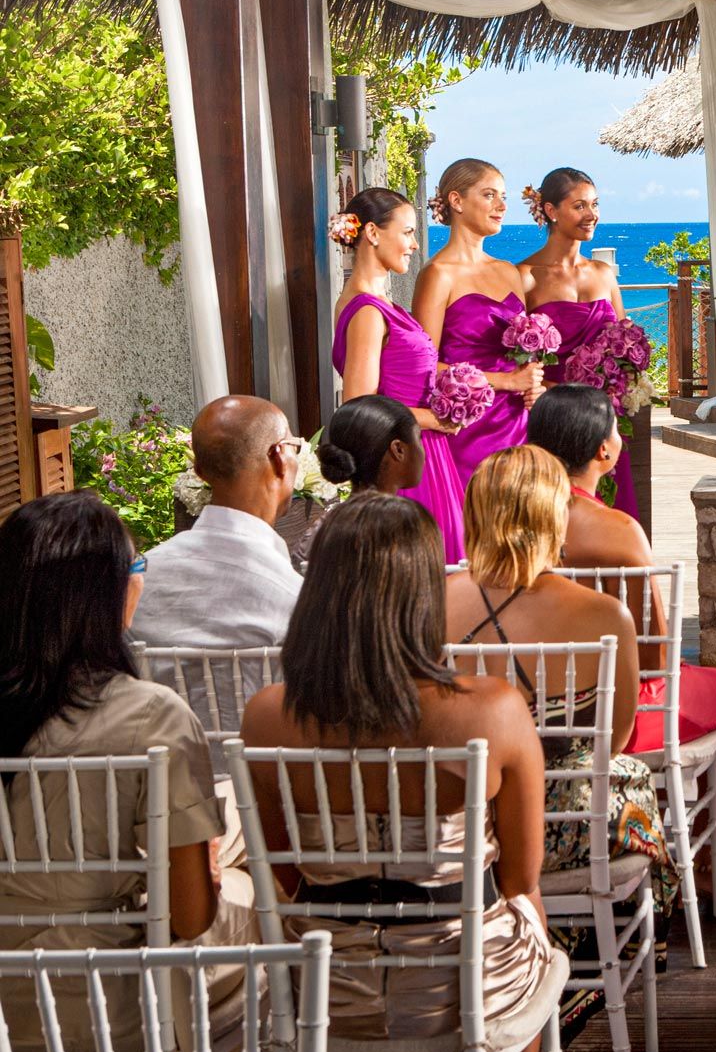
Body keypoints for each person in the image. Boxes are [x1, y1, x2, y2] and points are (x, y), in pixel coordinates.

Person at [239, 495, 561, 1052]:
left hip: (325, 998)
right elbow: (519, 878)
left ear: (318, 594)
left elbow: (285, 878)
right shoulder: (494, 709)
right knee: (529, 916)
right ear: (424, 590)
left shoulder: (268, 716)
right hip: (467, 998)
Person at [0, 492, 253, 1052]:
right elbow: (188, 918)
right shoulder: (151, 714)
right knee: (253, 898)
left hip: (6, 1019)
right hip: (111, 1015)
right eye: (137, 567)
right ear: (106, 593)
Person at [445, 447, 677, 1038]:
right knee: (636, 789)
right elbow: (616, 736)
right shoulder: (601, 613)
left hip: (459, 826)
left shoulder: (431, 602)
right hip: (563, 825)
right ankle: (593, 956)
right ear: (555, 517)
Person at [525, 388, 716, 903]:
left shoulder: (507, 524)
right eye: (614, 428)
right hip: (618, 718)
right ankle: (701, 859)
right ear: (603, 452)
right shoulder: (616, 530)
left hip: (526, 712)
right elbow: (657, 653)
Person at [130, 394, 305, 733]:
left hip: (161, 776)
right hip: (264, 776)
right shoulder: (296, 598)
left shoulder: (139, 581)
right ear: (279, 458)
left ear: (198, 471)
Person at [330, 185, 466, 562]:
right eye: (407, 232)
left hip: (423, 450)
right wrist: (437, 418)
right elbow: (359, 406)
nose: (414, 244)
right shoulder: (368, 311)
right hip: (401, 458)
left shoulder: (379, 304)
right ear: (372, 233)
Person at [519, 166, 644, 521]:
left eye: (595, 204)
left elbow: (625, 347)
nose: (591, 215)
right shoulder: (526, 277)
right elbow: (517, 361)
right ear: (551, 211)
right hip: (556, 419)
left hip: (605, 418)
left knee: (616, 511)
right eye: (579, 206)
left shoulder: (604, 275)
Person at [414, 157, 543, 490]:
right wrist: (505, 382)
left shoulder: (508, 272)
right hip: (466, 427)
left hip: (516, 422)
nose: (501, 206)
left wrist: (532, 382)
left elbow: (523, 358)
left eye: (503, 197)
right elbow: (424, 369)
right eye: (489, 195)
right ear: (456, 200)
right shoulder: (437, 274)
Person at [293, 393, 427, 567]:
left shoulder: (324, 529)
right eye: (419, 438)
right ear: (398, 449)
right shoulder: (406, 530)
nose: (423, 452)